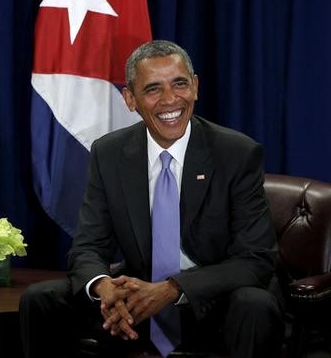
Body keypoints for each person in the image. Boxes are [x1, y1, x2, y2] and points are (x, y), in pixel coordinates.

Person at [20, 40, 283, 358]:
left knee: (254, 304)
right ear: (130, 99)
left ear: (196, 87)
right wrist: (106, 289)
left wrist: (173, 289)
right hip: (137, 298)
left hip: (213, 300)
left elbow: (255, 259)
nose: (170, 100)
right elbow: (89, 246)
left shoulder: (237, 153)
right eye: (153, 89)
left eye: (180, 84)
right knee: (41, 299)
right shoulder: (110, 153)